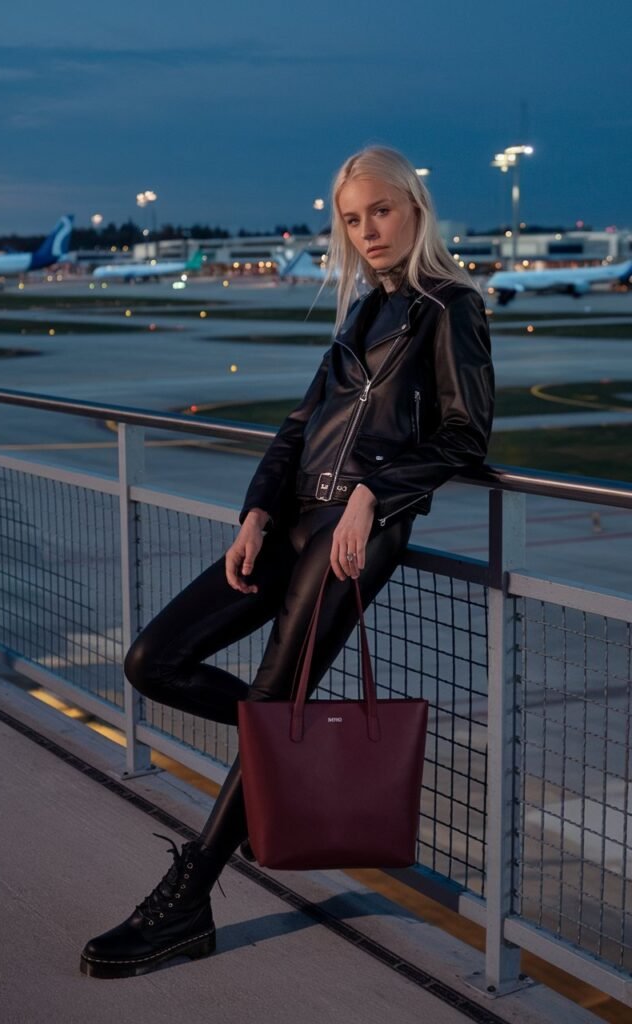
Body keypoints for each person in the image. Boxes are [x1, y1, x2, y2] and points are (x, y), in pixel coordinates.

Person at [80, 145, 494, 979]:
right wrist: (256, 511)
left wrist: (376, 495)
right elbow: (299, 427)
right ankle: (288, 750)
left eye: (379, 210)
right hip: (293, 523)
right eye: (351, 218)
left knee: (275, 696)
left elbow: (465, 433)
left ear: (413, 208)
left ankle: (188, 896)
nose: (367, 229)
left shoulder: (451, 306)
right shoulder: (361, 313)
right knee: (153, 660)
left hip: (356, 535)